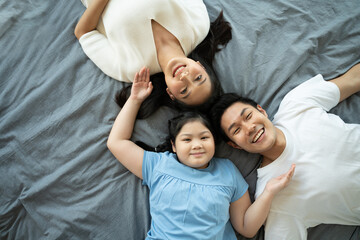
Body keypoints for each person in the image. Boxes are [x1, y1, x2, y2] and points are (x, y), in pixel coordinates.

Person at [107, 66, 295, 239]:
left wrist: (269, 192)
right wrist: (135, 99)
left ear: (214, 142)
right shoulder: (158, 165)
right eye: (187, 140)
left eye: (204, 138)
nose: (196, 145)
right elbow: (116, 142)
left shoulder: (227, 171)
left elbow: (247, 228)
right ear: (174, 146)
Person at [210, 63, 360, 240]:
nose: (249, 128)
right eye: (236, 130)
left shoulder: (296, 103)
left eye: (248, 116)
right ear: (236, 145)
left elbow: (352, 80)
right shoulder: (273, 197)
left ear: (262, 110)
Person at [75, 0, 231, 118]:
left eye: (184, 90)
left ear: (170, 93)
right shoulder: (199, 27)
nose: (185, 77)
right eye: (198, 78)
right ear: (201, 66)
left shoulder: (130, 69)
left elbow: (83, 32)